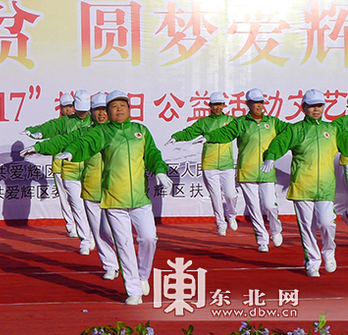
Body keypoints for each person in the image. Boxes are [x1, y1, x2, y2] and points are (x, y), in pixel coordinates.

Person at [57, 90, 172, 305]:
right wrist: (72, 152)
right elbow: (85, 144)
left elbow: (153, 155)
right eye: (113, 106)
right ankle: (133, 290)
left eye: (122, 106)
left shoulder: (140, 131)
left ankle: (143, 275)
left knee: (149, 238)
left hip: (140, 198)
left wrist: (160, 170)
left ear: (129, 109)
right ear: (108, 111)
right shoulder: (103, 133)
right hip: (114, 200)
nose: (118, 109)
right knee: (124, 243)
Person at [20, 92, 119, 280]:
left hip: (115, 186)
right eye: (96, 111)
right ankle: (99, 253)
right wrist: (38, 144)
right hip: (80, 175)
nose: (99, 114)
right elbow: (62, 138)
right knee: (78, 207)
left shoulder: (123, 130)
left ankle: (133, 271)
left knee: (114, 230)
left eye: (103, 110)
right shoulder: (84, 129)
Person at [262, 89, 348, 277]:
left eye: (319, 105)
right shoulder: (295, 130)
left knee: (326, 223)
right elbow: (278, 143)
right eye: (311, 106)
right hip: (302, 186)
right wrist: (270, 157)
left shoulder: (332, 129)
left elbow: (346, 145)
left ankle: (328, 251)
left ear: (324, 107)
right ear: (303, 108)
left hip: (325, 186)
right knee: (307, 227)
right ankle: (313, 262)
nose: (316, 109)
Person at [200, 88, 288, 253]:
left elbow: (291, 133)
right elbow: (225, 133)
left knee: (269, 206)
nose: (259, 105)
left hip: (266, 171)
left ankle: (276, 230)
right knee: (254, 208)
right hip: (247, 172)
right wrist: (208, 137)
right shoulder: (241, 123)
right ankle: (262, 239)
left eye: (261, 102)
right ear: (248, 104)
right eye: (255, 102)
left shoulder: (274, 122)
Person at [21, 90, 95, 254]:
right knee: (72, 201)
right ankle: (79, 233)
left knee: (90, 204)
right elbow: (52, 130)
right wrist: (36, 133)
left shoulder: (95, 122)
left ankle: (91, 234)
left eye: (85, 109)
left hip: (91, 167)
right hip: (66, 166)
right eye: (68, 107)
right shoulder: (65, 122)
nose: (80, 112)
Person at [166, 91, 237, 236]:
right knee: (216, 196)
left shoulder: (231, 120)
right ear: (209, 105)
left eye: (220, 104)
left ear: (224, 105)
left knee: (230, 195)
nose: (217, 107)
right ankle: (220, 223)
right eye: (214, 104)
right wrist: (176, 137)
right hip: (209, 165)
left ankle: (231, 215)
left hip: (227, 164)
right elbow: (190, 132)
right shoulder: (204, 122)